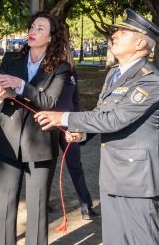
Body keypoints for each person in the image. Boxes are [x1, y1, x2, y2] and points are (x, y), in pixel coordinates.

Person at [34, 9, 159, 244]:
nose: (115, 34)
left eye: (123, 33)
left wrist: (62, 118)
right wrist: (82, 133)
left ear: (140, 43)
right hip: (112, 175)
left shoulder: (150, 79)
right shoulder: (115, 73)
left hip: (137, 179)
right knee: (115, 239)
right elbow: (101, 114)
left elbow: (115, 119)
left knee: (141, 239)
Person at [0, 11, 70, 245]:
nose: (33, 31)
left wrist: (21, 85)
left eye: (40, 28)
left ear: (51, 37)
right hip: (7, 139)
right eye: (32, 27)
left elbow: (50, 102)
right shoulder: (11, 59)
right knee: (4, 200)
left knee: (38, 204)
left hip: (41, 143)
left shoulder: (61, 68)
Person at [47, 50, 99, 220]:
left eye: (64, 50)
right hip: (50, 125)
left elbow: (75, 101)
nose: (62, 53)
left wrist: (77, 124)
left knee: (75, 166)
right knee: (47, 167)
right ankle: (42, 201)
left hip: (69, 125)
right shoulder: (47, 71)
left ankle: (86, 206)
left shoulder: (72, 73)